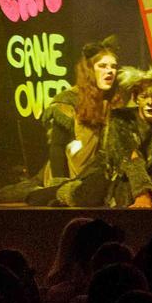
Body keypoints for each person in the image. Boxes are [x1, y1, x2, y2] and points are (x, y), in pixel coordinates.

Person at [58, 67, 152, 208]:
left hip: (147, 179)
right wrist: (142, 195)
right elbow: (131, 159)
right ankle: (56, 189)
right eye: (144, 96)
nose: (150, 102)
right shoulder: (123, 120)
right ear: (135, 98)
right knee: (78, 195)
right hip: (110, 176)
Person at [32, 35, 119, 198]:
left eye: (113, 66)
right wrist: (59, 185)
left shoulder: (112, 102)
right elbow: (57, 147)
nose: (109, 71)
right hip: (69, 175)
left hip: (96, 176)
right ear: (89, 69)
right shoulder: (69, 99)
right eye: (102, 66)